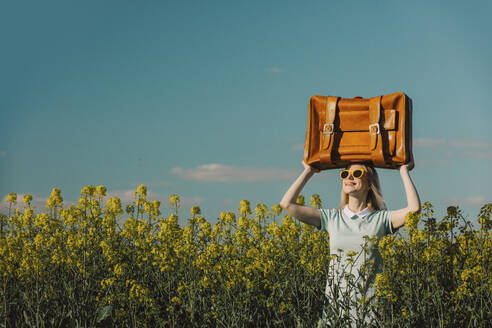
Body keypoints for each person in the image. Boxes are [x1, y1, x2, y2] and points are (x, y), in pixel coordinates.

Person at [279, 160, 420, 327]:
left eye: (357, 174)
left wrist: (403, 170)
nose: (349, 177)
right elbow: (286, 204)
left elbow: (414, 210)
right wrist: (309, 171)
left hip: (370, 312)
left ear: (370, 184)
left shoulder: (380, 219)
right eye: (345, 174)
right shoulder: (331, 218)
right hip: (335, 311)